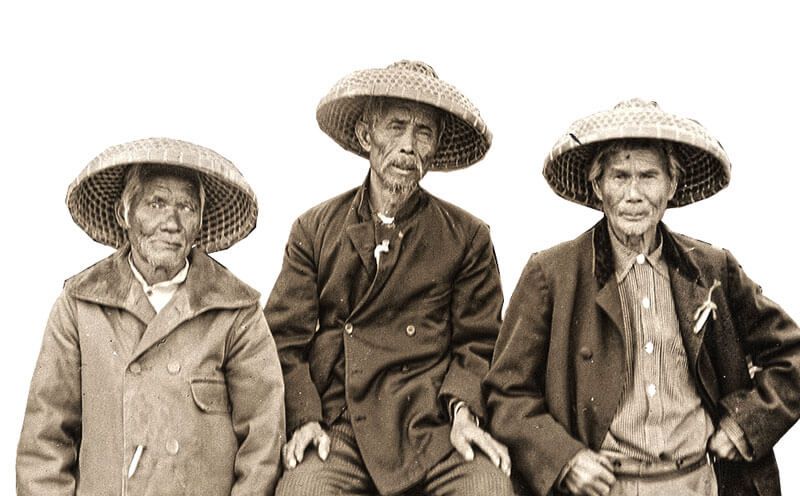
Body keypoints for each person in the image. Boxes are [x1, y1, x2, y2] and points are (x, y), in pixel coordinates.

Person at [485, 99, 800, 496]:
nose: (633, 194)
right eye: (619, 176)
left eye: (649, 176)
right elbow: (506, 392)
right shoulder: (551, 274)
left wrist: (744, 425)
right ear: (598, 186)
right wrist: (565, 459)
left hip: (700, 483)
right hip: (604, 488)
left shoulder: (712, 268)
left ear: (672, 185)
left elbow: (792, 355)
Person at [266, 60, 515, 495]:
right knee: (301, 490)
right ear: (366, 136)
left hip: (434, 428)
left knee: (488, 488)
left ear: (435, 148)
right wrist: (305, 419)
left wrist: (464, 415)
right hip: (342, 425)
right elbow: (283, 341)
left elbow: (479, 343)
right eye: (396, 127)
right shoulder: (315, 228)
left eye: (424, 132)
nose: (408, 146)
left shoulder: (467, 236)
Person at [16, 138, 285, 495]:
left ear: (199, 223)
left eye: (186, 207)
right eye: (156, 203)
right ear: (124, 214)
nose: (171, 223)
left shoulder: (237, 311)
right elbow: (45, 442)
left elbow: (263, 442)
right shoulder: (79, 305)